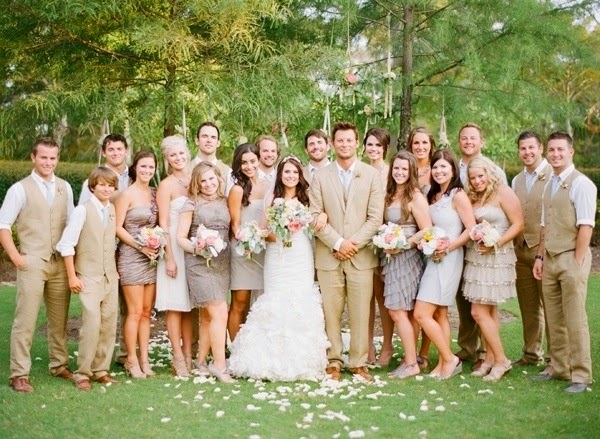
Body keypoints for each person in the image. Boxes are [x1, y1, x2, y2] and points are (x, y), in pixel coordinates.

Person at [229, 156, 330, 381]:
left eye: (295, 172)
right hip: (278, 256)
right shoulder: (272, 199)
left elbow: (318, 217)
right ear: (280, 175)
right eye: (287, 172)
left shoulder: (307, 197)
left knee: (301, 299)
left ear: (300, 175)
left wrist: (321, 215)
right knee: (275, 299)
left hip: (300, 254)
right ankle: (269, 357)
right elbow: (264, 230)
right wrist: (280, 233)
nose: (291, 176)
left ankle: (303, 357)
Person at [309, 121, 384, 382]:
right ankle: (334, 361)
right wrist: (338, 243)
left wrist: (352, 244)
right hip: (329, 256)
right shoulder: (320, 176)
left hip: (360, 256)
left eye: (349, 140)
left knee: (361, 312)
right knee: (331, 313)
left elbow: (375, 218)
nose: (344, 144)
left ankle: (359, 363)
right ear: (332, 144)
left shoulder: (371, 175)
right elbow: (314, 215)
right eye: (340, 140)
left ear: (357, 143)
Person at [0, 138, 75, 393]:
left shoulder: (65, 187)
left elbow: (71, 225)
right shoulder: (19, 189)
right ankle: (19, 374)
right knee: (25, 320)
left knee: (59, 320)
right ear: (33, 157)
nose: (48, 162)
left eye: (53, 158)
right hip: (32, 262)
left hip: (59, 263)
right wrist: (16, 257)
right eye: (43, 157)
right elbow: (3, 226)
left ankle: (59, 364)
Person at [532, 131, 596, 394]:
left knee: (575, 317)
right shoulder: (550, 183)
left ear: (571, 152)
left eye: (560, 149)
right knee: (554, 317)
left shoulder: (582, 184)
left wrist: (576, 262)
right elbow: (545, 225)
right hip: (549, 258)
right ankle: (559, 368)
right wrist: (540, 256)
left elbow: (586, 226)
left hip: (571, 257)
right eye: (551, 150)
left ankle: (581, 375)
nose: (555, 154)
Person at [413, 149, 476, 379]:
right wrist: (428, 244)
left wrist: (447, 248)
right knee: (440, 312)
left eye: (444, 167)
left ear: (453, 169)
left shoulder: (458, 195)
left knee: (421, 314)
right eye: (435, 167)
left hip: (449, 259)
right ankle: (442, 364)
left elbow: (470, 229)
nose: (439, 171)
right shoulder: (432, 194)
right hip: (433, 258)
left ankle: (450, 359)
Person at [56, 167, 120, 390]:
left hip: (110, 276)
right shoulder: (82, 211)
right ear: (93, 186)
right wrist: (72, 276)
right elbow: (67, 245)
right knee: (91, 324)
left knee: (108, 325)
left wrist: (114, 271)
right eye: (102, 184)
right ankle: (82, 373)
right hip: (88, 276)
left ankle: (100, 370)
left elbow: (109, 242)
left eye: (110, 185)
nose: (106, 189)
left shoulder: (112, 209)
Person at [463, 157, 523, 382]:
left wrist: (495, 243)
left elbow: (518, 224)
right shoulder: (473, 196)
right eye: (473, 178)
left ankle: (501, 360)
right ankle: (489, 359)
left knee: (477, 312)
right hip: (477, 257)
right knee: (489, 312)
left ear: (489, 174)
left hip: (497, 257)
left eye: (480, 176)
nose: (477, 181)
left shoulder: (503, 192)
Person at [455, 122, 507, 370]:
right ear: (459, 142)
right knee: (465, 300)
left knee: (485, 303)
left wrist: (494, 240)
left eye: (473, 138)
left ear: (481, 142)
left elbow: (506, 214)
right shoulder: (453, 168)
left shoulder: (494, 171)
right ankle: (468, 347)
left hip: (488, 247)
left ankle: (488, 354)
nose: (468, 142)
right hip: (462, 243)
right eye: (464, 138)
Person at [177, 162, 234, 383]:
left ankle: (201, 361)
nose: (208, 184)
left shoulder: (225, 201)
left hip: (222, 262)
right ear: (197, 184)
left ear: (218, 178)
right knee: (220, 312)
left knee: (208, 316)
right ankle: (219, 365)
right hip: (200, 263)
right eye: (203, 181)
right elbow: (181, 238)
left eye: (212, 178)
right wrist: (199, 248)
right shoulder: (191, 203)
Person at [382, 151, 432, 379]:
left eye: (404, 169)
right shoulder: (390, 193)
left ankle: (412, 363)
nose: (400, 172)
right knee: (401, 311)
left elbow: (427, 229)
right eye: (396, 168)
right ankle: (410, 359)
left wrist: (402, 244)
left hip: (407, 258)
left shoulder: (415, 196)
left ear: (412, 172)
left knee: (397, 310)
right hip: (391, 257)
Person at [114, 150, 159, 379]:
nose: (147, 171)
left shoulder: (154, 194)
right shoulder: (126, 194)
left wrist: (155, 243)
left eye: (151, 167)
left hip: (151, 258)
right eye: (143, 166)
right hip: (132, 256)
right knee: (134, 312)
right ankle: (130, 360)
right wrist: (140, 246)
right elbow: (117, 227)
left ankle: (144, 359)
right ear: (135, 168)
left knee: (146, 312)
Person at [511, 131, 553, 367]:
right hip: (521, 250)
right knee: (528, 306)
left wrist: (542, 252)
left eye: (531, 147)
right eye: (523, 148)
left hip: (545, 251)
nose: (527, 152)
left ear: (540, 148)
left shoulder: (553, 175)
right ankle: (531, 354)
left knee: (551, 305)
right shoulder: (516, 180)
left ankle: (554, 358)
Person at [155, 135, 193, 377]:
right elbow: (163, 223)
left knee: (189, 306)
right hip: (174, 251)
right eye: (173, 155)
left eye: (181, 153)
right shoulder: (166, 185)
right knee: (175, 306)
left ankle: (189, 355)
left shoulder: (195, 178)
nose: (178, 158)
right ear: (167, 159)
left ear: (187, 154)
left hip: (192, 248)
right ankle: (177, 357)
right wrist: (169, 257)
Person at [227, 143, 270, 341]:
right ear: (238, 164)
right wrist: (246, 242)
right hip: (243, 250)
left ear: (259, 161)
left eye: (253, 161)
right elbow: (235, 224)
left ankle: (257, 344)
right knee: (240, 302)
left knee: (262, 301)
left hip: (264, 250)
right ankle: (235, 347)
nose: (249, 166)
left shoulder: (269, 186)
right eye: (244, 162)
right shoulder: (237, 189)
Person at [405, 126, 436, 370]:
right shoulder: (406, 169)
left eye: (424, 143)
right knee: (411, 300)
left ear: (431, 145)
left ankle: (424, 352)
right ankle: (410, 351)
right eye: (416, 143)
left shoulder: (437, 170)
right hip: (408, 241)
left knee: (429, 300)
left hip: (431, 239)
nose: (420, 147)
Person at [363, 127, 394, 367]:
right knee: (366, 297)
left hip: (385, 239)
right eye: (370, 144)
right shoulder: (360, 171)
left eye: (378, 145)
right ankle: (367, 345)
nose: (373, 149)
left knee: (383, 297)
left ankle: (387, 344)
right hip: (363, 239)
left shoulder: (391, 173)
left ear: (385, 148)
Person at [79, 133, 129, 205]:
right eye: (111, 150)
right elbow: (84, 209)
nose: (115, 153)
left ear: (126, 151)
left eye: (119, 149)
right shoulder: (94, 180)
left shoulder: (136, 177)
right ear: (104, 153)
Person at [193, 121, 233, 194]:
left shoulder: (228, 173)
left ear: (218, 143)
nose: (209, 140)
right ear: (197, 141)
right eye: (205, 136)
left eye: (213, 137)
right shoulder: (185, 170)